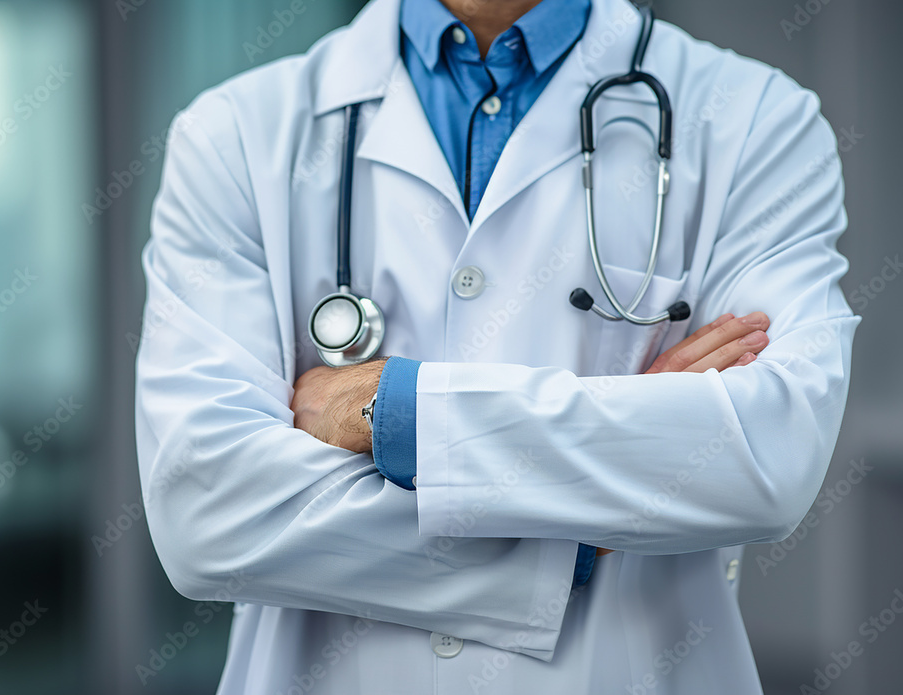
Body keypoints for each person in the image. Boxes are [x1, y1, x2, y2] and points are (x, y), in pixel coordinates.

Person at [134, 0, 860, 692]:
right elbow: (206, 507)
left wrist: (397, 407)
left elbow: (764, 453)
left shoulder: (758, 121)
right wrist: (576, 535)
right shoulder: (234, 135)